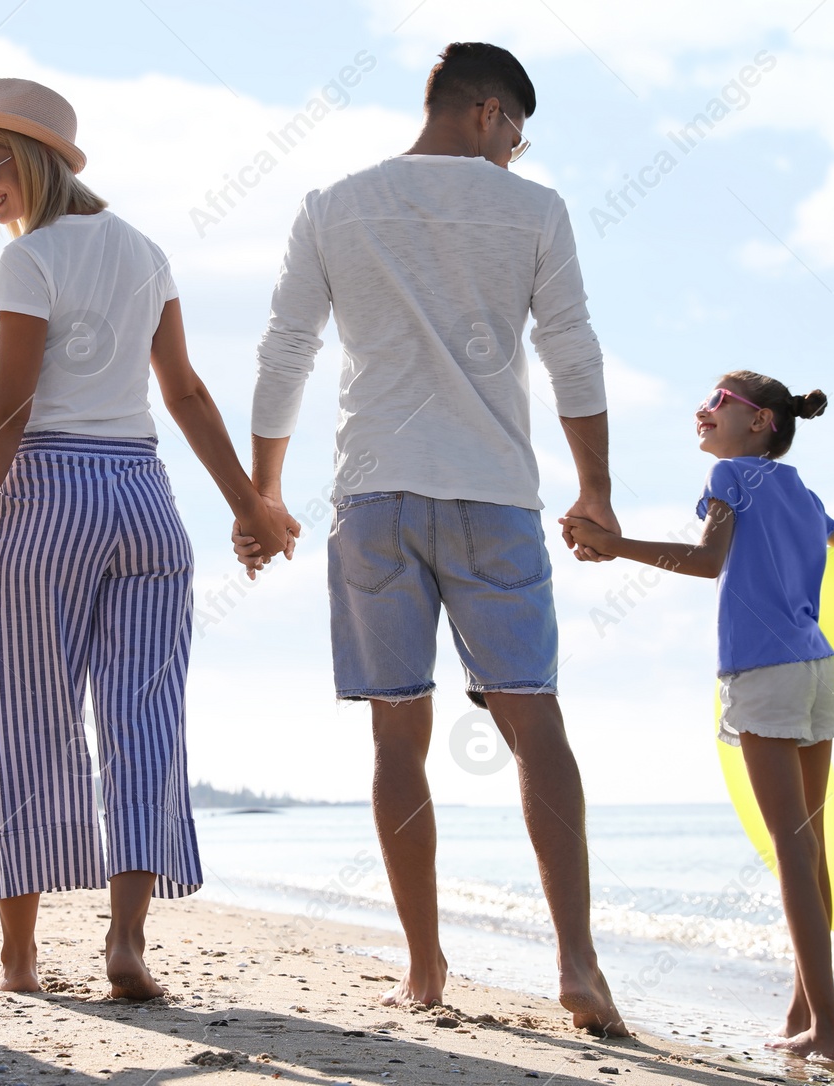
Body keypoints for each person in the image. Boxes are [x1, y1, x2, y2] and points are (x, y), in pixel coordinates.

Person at [233, 42, 625, 1033]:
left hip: (373, 497)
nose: (514, 155)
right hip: (494, 495)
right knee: (534, 723)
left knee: (395, 734)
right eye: (516, 136)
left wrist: (264, 491)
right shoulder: (534, 210)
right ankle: (577, 968)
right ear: (489, 113)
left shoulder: (334, 203)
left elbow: (287, 348)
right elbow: (570, 348)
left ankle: (422, 965)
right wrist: (599, 490)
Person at [0, 78, 293, 1000]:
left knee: (30, 722)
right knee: (145, 723)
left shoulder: (31, 261)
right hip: (145, 498)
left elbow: (11, 408)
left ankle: (21, 958)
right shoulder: (145, 252)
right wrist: (248, 506)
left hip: (52, 490)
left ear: (36, 157)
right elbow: (185, 396)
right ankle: (125, 945)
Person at [562, 371, 834, 1064]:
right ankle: (803, 1015)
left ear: (762, 424)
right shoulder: (802, 492)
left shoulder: (734, 481)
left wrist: (613, 546)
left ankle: (828, 1032)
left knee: (792, 853)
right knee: (811, 847)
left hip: (762, 672)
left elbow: (708, 561)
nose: (704, 410)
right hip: (816, 669)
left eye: (721, 402)